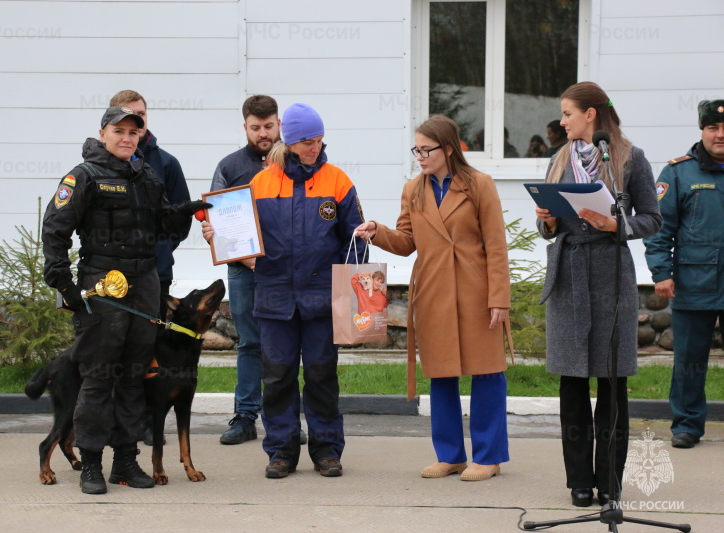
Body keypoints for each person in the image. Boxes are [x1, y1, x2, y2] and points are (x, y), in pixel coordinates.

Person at [42, 105, 208, 494]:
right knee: (99, 377)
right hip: (103, 285)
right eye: (119, 130)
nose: (127, 138)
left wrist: (188, 211)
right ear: (103, 133)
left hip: (145, 283)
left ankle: (126, 461)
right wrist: (63, 284)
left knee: (134, 376)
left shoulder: (146, 174)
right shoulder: (82, 177)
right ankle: (91, 465)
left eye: (134, 132)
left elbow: (164, 222)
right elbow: (55, 230)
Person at [203, 103, 365, 478]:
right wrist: (220, 236)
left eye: (320, 140)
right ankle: (281, 450)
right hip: (274, 297)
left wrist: (352, 292)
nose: (315, 147)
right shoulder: (261, 183)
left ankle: (327, 450)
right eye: (308, 141)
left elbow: (352, 241)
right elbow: (238, 234)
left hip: (322, 298)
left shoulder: (338, 181)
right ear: (290, 141)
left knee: (323, 375)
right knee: (277, 377)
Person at [355, 114, 512, 482]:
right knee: (441, 374)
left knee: (487, 372)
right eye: (417, 150)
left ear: (449, 148)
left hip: (477, 293)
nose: (420, 156)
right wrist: (378, 232)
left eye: (426, 150)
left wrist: (499, 299)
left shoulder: (480, 185)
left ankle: (488, 456)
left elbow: (497, 247)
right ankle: (451, 455)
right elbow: (407, 242)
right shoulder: (413, 190)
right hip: (434, 292)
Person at [535, 81, 661, 507]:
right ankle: (579, 482)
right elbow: (546, 228)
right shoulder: (558, 159)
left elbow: (652, 219)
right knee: (572, 382)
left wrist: (615, 227)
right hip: (570, 275)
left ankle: (610, 479)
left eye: (568, 113)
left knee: (611, 381)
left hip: (611, 277)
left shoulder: (629, 157)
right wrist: (547, 221)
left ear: (591, 114)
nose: (562, 121)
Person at [207, 95, 305, 446]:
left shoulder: (297, 161)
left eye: (269, 126)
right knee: (249, 343)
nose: (263, 134)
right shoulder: (230, 167)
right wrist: (212, 233)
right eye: (255, 127)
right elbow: (215, 220)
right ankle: (245, 416)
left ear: (279, 124)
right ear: (245, 126)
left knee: (286, 344)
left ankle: (287, 418)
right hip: (243, 271)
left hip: (285, 271)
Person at [644, 99, 724, 450]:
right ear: (702, 130)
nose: (720, 135)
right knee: (690, 359)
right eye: (712, 128)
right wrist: (661, 272)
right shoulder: (678, 173)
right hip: (695, 283)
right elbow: (660, 228)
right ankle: (688, 425)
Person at [108, 90, 190, 320]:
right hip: (110, 273)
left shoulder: (167, 164)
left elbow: (181, 219)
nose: (138, 120)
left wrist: (160, 246)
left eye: (141, 114)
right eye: (130, 114)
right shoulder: (97, 166)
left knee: (150, 343)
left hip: (156, 273)